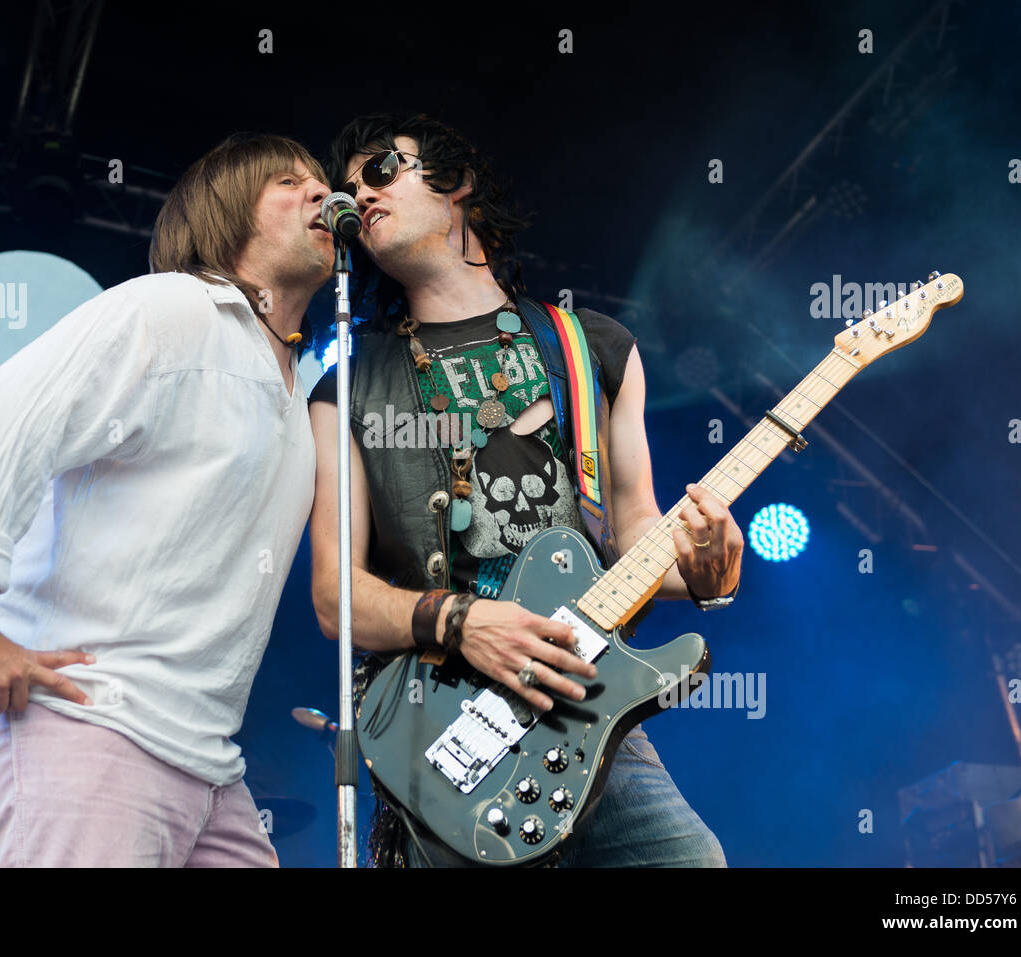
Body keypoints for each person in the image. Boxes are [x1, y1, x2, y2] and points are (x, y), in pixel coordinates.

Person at [308, 113, 741, 867]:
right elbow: (334, 595)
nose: (361, 195)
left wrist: (706, 573)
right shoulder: (346, 386)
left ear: (458, 184)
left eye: (381, 170)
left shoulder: (591, 347)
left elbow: (636, 530)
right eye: (346, 189)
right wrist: (460, 620)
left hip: (584, 707)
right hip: (439, 733)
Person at [0, 133, 334, 867]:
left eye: (321, 181)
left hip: (207, 760)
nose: (319, 193)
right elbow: (1, 414)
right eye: (287, 181)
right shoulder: (170, 310)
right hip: (85, 723)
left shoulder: (299, 382)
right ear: (227, 213)